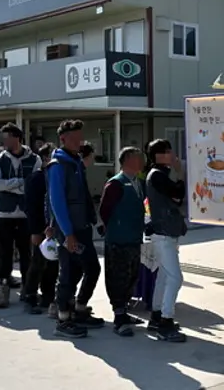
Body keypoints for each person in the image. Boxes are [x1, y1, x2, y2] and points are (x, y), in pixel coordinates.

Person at [47, 120, 103, 339]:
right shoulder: (58, 165)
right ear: (63, 139)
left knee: (89, 269)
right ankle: (63, 318)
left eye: (81, 137)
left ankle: (79, 308)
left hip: (82, 227)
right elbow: (57, 201)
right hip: (69, 230)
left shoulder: (75, 162)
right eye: (75, 138)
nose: (80, 142)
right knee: (69, 273)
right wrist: (66, 232)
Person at [0, 122, 41, 308]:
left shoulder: (33, 159)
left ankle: (29, 291)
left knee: (27, 254)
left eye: (7, 137)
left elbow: (35, 183)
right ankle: (3, 290)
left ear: (17, 138)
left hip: (26, 214)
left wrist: (11, 185)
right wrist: (20, 183)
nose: (3, 141)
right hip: (5, 213)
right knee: (4, 254)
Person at [99, 147, 146, 336]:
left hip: (134, 237)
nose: (141, 161)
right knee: (117, 276)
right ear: (126, 160)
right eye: (137, 158)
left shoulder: (138, 182)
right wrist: (115, 225)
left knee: (131, 275)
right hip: (118, 239)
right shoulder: (115, 184)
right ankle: (118, 316)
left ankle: (125, 311)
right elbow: (104, 211)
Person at [145, 138, 188, 342]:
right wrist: (180, 173)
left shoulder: (158, 175)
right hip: (163, 233)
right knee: (175, 278)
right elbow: (178, 192)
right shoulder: (158, 176)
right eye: (169, 151)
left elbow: (176, 196)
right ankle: (165, 322)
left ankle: (156, 316)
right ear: (159, 155)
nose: (173, 155)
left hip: (164, 232)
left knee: (164, 276)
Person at [22, 143, 59, 315]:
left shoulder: (56, 176)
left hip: (54, 229)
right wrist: (36, 231)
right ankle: (30, 295)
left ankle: (48, 295)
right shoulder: (36, 178)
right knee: (37, 262)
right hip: (40, 228)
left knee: (53, 264)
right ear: (45, 159)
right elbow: (31, 207)